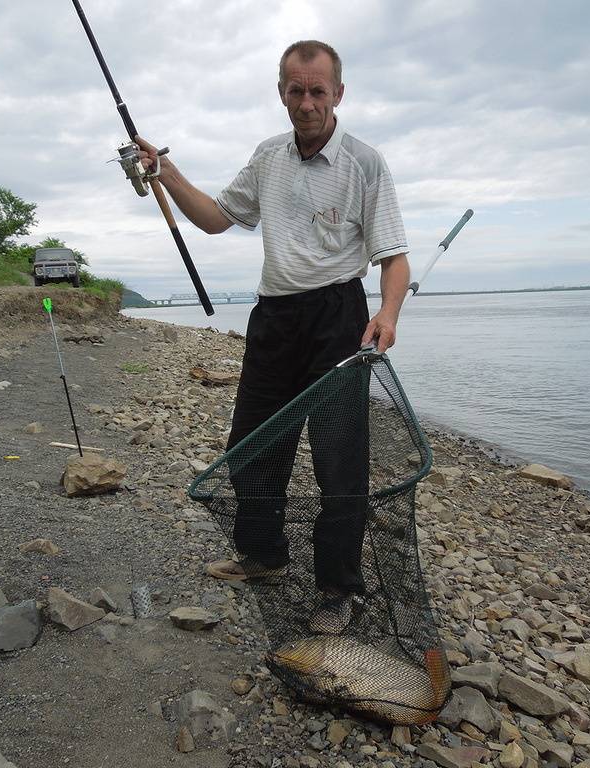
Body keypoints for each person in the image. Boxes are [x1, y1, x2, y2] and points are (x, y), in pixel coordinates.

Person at [136, 40, 410, 633]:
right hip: (274, 317)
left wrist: (386, 315)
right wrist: (167, 170)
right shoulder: (268, 157)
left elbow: (394, 258)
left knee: (340, 458)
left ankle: (338, 588)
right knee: (254, 441)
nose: (307, 101)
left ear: (339, 94)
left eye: (318, 90)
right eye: (295, 89)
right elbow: (214, 219)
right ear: (281, 93)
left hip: (339, 316)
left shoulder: (365, 163)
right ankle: (263, 554)